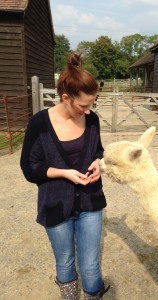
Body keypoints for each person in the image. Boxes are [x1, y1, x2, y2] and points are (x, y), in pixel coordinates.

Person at [20, 53, 110, 300]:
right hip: (55, 204)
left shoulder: (91, 120)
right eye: (83, 105)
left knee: (90, 264)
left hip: (91, 201)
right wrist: (64, 173)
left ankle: (94, 295)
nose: (88, 110)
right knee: (66, 261)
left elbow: (99, 149)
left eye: (91, 104)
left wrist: (97, 163)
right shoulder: (39, 123)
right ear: (66, 98)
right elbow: (29, 167)